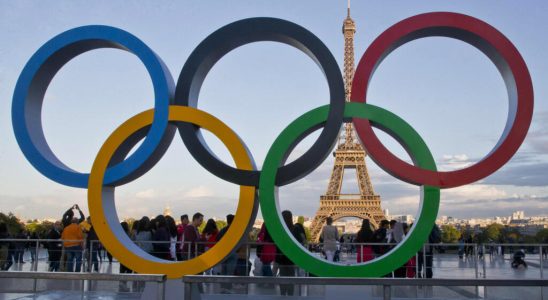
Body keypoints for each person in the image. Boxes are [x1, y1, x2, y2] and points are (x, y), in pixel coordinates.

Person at [276, 210, 304, 296]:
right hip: (292, 256)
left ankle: (283, 293)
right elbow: (300, 240)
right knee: (291, 275)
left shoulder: (280, 228)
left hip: (282, 257)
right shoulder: (295, 229)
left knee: (282, 275)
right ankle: (290, 294)